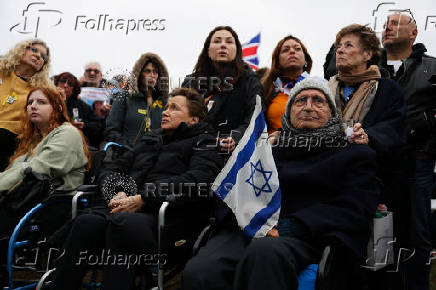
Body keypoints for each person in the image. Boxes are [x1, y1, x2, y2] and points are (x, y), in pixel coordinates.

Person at [51, 88, 223, 290]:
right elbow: (113, 167)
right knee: (87, 222)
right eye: (166, 107)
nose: (166, 112)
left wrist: (144, 198)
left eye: (174, 108)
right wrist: (119, 191)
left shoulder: (205, 142)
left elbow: (197, 180)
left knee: (122, 224)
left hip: (170, 219)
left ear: (194, 119)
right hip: (128, 209)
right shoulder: (152, 139)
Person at [329, 24, 408, 289]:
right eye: (338, 45)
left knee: (376, 263)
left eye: (349, 45)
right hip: (328, 185)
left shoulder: (387, 89)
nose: (340, 49)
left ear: (368, 55)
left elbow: (395, 128)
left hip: (375, 187)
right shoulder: (323, 90)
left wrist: (369, 137)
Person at [0, 87, 90, 281]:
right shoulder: (32, 140)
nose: (33, 106)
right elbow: (13, 173)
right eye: (30, 102)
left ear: (57, 107)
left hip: (50, 206)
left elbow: (35, 170)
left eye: (41, 102)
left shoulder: (67, 133)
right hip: (25, 200)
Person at [381, 12, 436, 290]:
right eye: (385, 23)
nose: (387, 27)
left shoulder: (432, 68)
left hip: (417, 161)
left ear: (414, 34)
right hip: (378, 162)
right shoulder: (371, 67)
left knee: (415, 233)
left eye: (395, 23)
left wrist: (428, 149)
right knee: (380, 228)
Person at [182, 25, 263, 152]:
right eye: (217, 41)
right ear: (207, 50)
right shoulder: (191, 83)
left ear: (237, 50)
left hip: (232, 155)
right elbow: (179, 118)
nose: (223, 45)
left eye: (229, 41)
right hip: (192, 149)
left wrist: (235, 137)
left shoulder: (250, 81)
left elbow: (254, 118)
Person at [0, 39, 52, 171]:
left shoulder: (41, 91)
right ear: (21, 50)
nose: (38, 56)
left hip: (11, 141)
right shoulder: (1, 71)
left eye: (43, 57)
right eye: (34, 50)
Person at [105, 53, 169, 147]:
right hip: (128, 156)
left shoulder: (165, 102)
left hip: (156, 157)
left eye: (155, 72)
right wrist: (126, 148)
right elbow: (112, 130)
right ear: (139, 74)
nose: (152, 75)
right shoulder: (125, 97)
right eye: (147, 71)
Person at [262, 35, 312, 134]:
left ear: (306, 60)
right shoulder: (266, 90)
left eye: (297, 49)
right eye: (285, 50)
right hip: (275, 147)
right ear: (277, 62)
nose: (292, 51)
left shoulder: (322, 86)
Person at [54, 72, 105, 149]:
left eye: (70, 84)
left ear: (73, 89)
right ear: (56, 84)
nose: (65, 85)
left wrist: (84, 125)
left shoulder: (80, 105)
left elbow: (99, 125)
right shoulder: (47, 101)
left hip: (78, 145)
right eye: (63, 81)